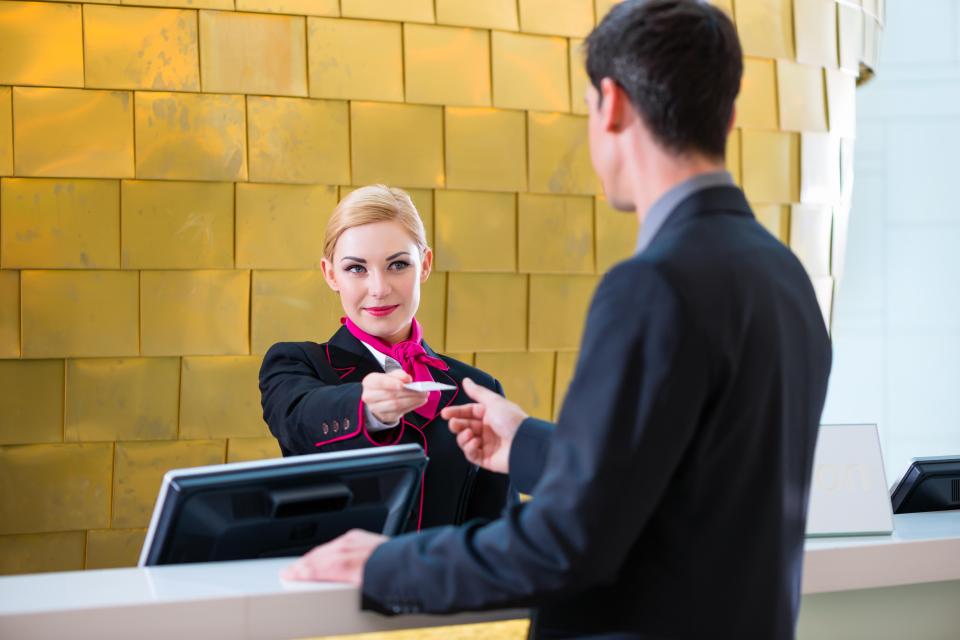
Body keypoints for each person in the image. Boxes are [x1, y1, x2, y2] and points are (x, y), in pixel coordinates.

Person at [281, 1, 833, 638]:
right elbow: (680, 482)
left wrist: (386, 564)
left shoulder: (652, 285)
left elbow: (567, 541)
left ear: (613, 104)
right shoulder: (786, 279)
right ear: (729, 116)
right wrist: (529, 445)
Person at [259, 185, 514, 531]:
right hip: (338, 585)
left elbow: (500, 529)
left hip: (445, 585)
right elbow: (299, 416)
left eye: (397, 265)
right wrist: (366, 407)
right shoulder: (295, 363)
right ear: (330, 274)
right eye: (356, 269)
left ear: (424, 265)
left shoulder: (480, 389)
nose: (379, 288)